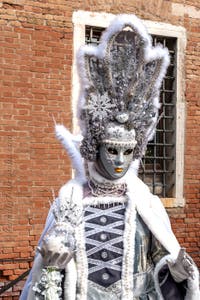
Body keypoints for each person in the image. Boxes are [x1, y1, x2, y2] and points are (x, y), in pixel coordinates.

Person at [20, 14, 200, 300]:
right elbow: (50, 275)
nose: (119, 160)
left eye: (127, 152)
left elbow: (157, 264)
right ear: (95, 148)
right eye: (112, 150)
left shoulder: (145, 203)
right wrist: (52, 267)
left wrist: (174, 271)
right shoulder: (70, 201)